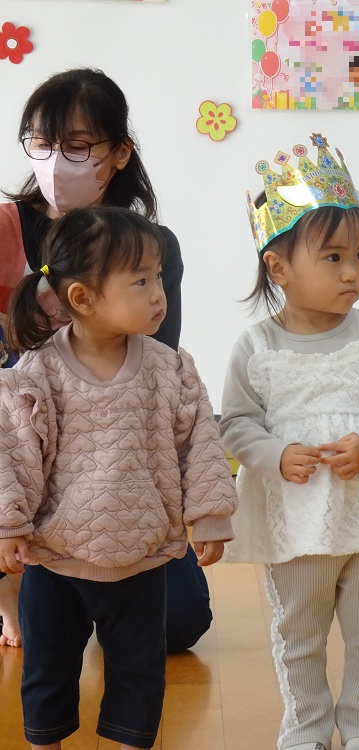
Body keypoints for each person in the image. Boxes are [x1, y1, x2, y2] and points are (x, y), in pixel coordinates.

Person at [219, 133, 359, 750]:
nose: (352, 272)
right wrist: (273, 455)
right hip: (297, 516)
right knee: (299, 630)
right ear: (278, 268)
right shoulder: (256, 346)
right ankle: (307, 727)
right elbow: (236, 423)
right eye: (333, 257)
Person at [0, 206, 237, 750]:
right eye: (140, 281)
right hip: (55, 562)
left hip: (142, 558)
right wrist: (9, 523)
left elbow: (199, 442)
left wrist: (210, 515)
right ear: (82, 298)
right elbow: (13, 452)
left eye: (159, 277)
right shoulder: (38, 372)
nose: (159, 294)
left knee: (140, 674)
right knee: (48, 671)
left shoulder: (170, 367)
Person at [0, 67, 213, 653]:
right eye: (41, 143)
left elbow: (158, 362)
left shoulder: (148, 245)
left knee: (179, 624)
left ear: (119, 153)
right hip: (25, 443)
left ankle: (84, 590)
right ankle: (19, 581)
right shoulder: (7, 230)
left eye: (77, 146)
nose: (55, 161)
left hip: (116, 458)